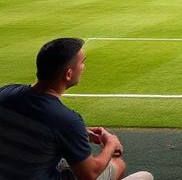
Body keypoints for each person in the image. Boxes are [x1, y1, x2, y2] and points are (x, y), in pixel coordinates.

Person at [0, 37, 153, 180]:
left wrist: (82, 133)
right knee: (124, 166)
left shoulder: (6, 92)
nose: (84, 67)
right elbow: (89, 174)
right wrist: (111, 143)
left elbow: (31, 125)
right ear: (68, 74)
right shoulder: (67, 120)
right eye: (82, 63)